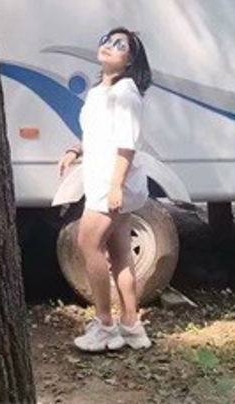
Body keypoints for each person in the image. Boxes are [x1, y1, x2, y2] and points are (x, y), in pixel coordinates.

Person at [57, 26, 153, 352]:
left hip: (111, 184)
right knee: (120, 251)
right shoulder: (101, 90)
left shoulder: (126, 93)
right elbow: (98, 133)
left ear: (130, 61)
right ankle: (132, 327)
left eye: (119, 45)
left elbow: (127, 145)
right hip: (104, 180)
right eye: (107, 41)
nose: (109, 46)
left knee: (88, 243)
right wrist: (75, 150)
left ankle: (105, 326)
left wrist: (115, 186)